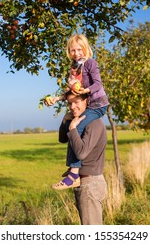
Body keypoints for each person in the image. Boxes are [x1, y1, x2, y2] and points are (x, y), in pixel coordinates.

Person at [45, 34, 109, 189]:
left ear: (85, 49)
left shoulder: (90, 63)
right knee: (70, 128)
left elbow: (98, 84)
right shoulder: (74, 68)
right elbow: (71, 91)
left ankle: (74, 175)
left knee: (77, 127)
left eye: (79, 49)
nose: (76, 53)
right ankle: (73, 167)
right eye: (73, 50)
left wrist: (85, 90)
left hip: (98, 105)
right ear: (69, 52)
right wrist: (57, 99)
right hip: (87, 103)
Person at [56, 90, 108, 225]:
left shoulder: (94, 123)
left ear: (87, 101)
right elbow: (62, 139)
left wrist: (73, 128)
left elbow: (81, 153)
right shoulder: (80, 121)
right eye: (69, 103)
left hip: (90, 183)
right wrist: (65, 121)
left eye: (76, 102)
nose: (72, 107)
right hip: (83, 182)